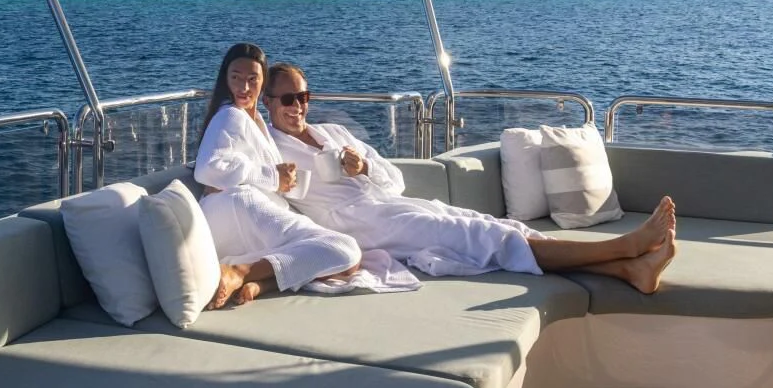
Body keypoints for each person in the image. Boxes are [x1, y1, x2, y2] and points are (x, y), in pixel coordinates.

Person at [262, 63, 677, 293]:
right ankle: (625, 246)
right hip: (356, 223)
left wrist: (365, 167)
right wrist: (275, 180)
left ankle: (627, 271)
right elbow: (238, 175)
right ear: (268, 102)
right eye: (286, 98)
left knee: (493, 225)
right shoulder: (269, 147)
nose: (297, 106)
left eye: (304, 96)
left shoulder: (335, 133)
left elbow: (394, 182)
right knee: (470, 235)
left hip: (390, 205)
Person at [194, 43, 365, 308]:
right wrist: (273, 177)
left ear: (263, 82)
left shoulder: (253, 119)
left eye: (253, 79)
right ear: (225, 79)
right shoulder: (230, 115)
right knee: (346, 250)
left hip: (243, 212)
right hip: (237, 209)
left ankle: (259, 281)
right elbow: (207, 168)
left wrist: (283, 180)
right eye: (236, 77)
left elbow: (234, 163)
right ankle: (238, 271)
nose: (244, 87)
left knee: (341, 264)